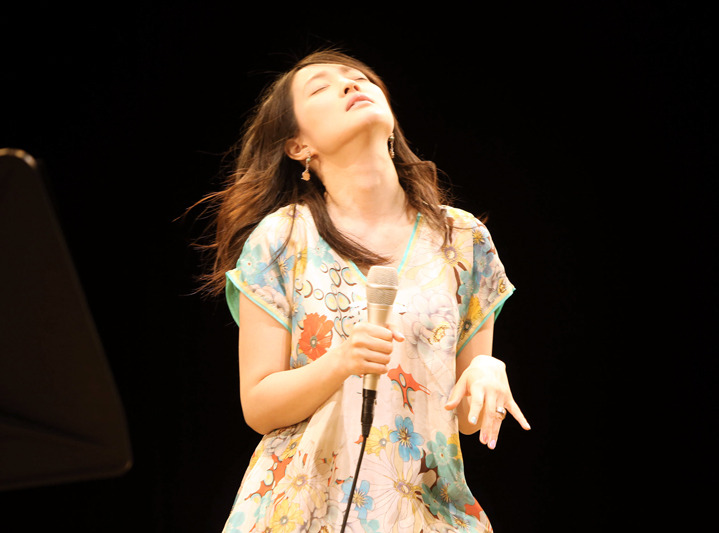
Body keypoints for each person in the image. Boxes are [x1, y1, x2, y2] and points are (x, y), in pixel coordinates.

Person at [198, 49, 529, 533]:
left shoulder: (462, 239)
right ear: (298, 146)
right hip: (300, 511)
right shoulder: (282, 238)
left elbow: (465, 420)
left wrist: (485, 368)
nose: (352, 85)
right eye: (321, 88)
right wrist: (340, 362)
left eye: (360, 79)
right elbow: (259, 405)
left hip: (421, 508)